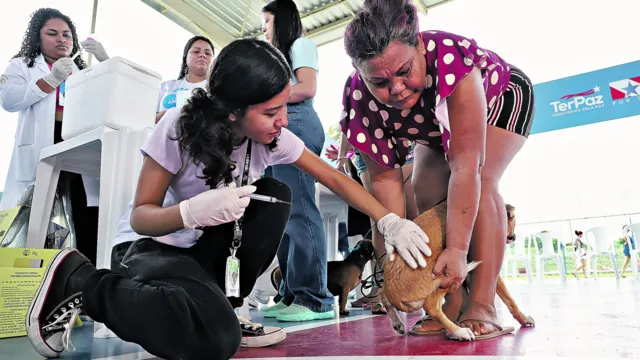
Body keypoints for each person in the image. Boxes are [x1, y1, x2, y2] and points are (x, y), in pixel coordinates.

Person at [25, 38, 431, 360]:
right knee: (215, 342)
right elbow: (141, 218)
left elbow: (335, 179)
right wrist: (189, 212)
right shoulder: (178, 127)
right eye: (272, 112)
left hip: (203, 249)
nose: (284, 121)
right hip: (150, 247)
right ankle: (79, 281)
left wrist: (388, 220)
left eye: (284, 107)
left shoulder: (271, 140)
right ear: (233, 110)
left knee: (275, 195)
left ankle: (225, 306)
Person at [340, 0, 535, 338]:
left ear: (419, 45)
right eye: (380, 82)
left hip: (500, 98)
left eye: (404, 72)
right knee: (425, 192)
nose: (396, 89)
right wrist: (390, 266)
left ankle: (483, 303)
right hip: (431, 124)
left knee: (483, 181)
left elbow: (466, 168)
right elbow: (386, 187)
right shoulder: (359, 98)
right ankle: (451, 302)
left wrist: (458, 251)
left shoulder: (449, 57)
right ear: (361, 74)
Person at [0, 8, 108, 264]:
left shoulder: (82, 70)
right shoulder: (22, 65)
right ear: (37, 37)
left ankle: (81, 273)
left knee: (83, 213)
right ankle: (33, 275)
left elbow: (113, 94)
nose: (62, 40)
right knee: (38, 216)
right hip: (43, 145)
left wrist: (106, 61)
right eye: (53, 33)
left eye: (67, 35)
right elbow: (9, 99)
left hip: (78, 143)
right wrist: (51, 78)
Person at [259, 0, 335, 321]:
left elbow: (307, 87)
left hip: (298, 122)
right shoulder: (274, 59)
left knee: (301, 210)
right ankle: (290, 293)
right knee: (281, 216)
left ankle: (314, 298)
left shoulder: (300, 44)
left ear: (282, 20)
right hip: (278, 127)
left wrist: (263, 97)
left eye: (266, 21)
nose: (263, 28)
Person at [155, 36, 215, 123]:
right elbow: (148, 117)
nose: (202, 55)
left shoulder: (215, 89)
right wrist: (170, 115)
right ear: (185, 57)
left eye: (208, 53)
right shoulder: (166, 86)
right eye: (196, 51)